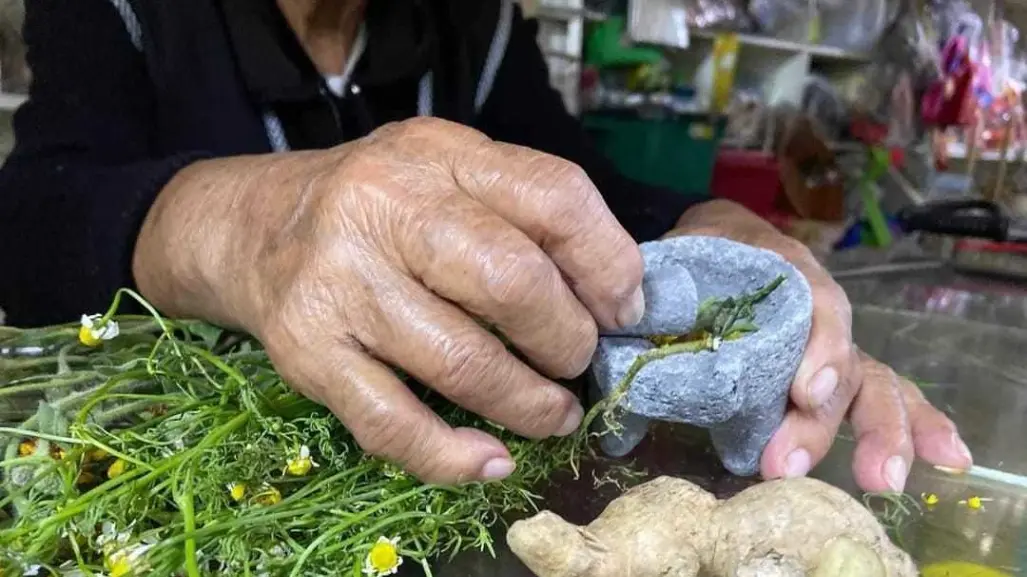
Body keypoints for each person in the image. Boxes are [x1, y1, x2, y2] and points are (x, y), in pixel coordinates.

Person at [0, 0, 971, 490]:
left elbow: (589, 189)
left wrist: (707, 229)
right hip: (184, 459)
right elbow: (35, 226)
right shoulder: (118, 13)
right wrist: (255, 225)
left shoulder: (470, 21)